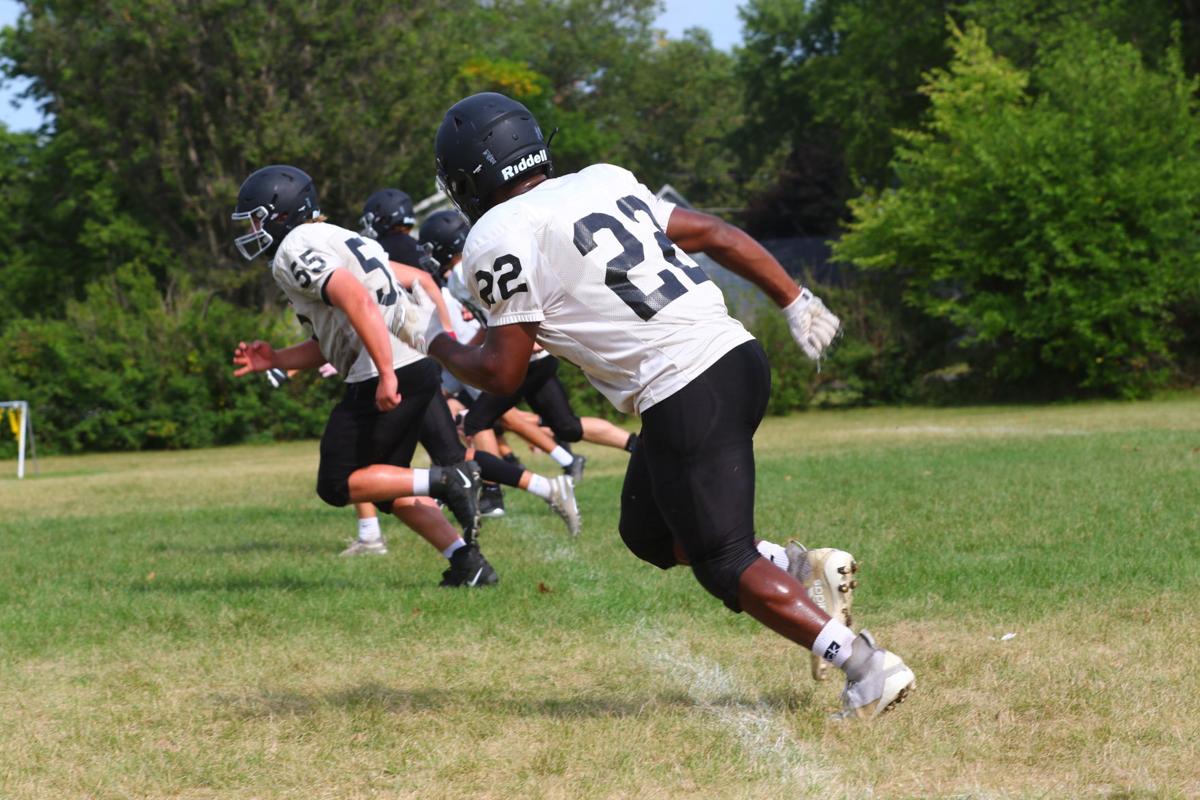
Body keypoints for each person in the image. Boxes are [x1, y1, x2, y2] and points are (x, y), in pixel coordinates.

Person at [394, 92, 915, 718]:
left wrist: (432, 339)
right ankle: (801, 568)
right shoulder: (601, 181)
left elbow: (502, 371)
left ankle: (865, 665)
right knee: (647, 531)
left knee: (723, 559)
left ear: (468, 178)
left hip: (684, 383)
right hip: (734, 359)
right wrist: (793, 298)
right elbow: (714, 232)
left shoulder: (496, 233)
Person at [229, 163, 497, 587]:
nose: (253, 230)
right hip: (411, 359)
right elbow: (331, 342)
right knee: (384, 484)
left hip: (385, 367)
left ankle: (450, 479)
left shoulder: (293, 247)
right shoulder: (337, 236)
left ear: (282, 214)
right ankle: (468, 563)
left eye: (258, 219)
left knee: (337, 484)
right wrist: (276, 359)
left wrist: (386, 372)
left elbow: (357, 300)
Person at [419, 209, 640, 490]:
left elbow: (509, 315)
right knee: (567, 427)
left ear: (444, 245)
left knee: (476, 422)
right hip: (538, 357)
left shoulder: (461, 276)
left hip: (526, 357)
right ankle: (637, 446)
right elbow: (491, 324)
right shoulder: (474, 266)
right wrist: (463, 353)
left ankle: (492, 494)